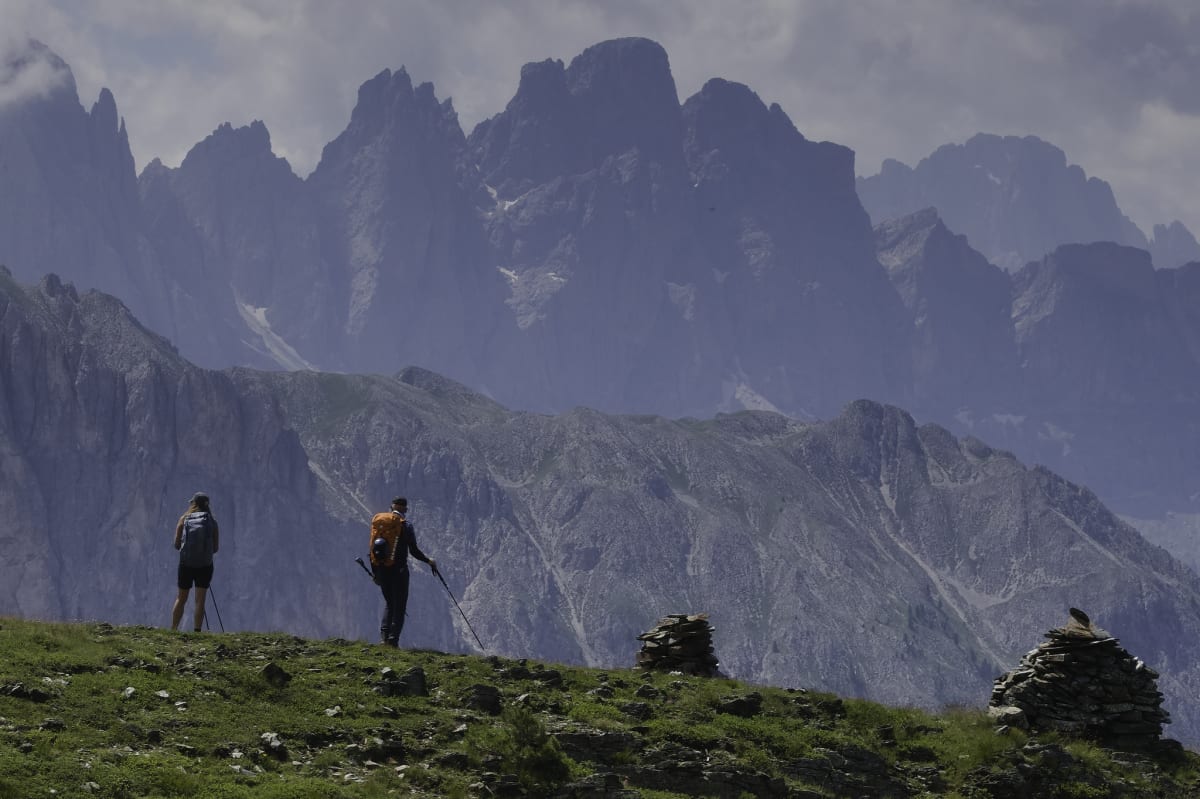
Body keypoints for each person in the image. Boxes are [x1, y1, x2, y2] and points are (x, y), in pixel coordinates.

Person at [369, 496, 438, 647]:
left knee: (389, 603)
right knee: (399, 606)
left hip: (381, 569)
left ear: (391, 507)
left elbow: (373, 549)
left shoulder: (379, 524)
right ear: (405, 509)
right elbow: (413, 551)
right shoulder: (405, 526)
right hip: (399, 572)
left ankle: (383, 638)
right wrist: (428, 561)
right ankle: (393, 641)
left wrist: (375, 573)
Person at [171, 492, 219, 632]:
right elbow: (215, 548)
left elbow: (176, 545)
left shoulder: (184, 519)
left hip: (186, 564)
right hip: (205, 566)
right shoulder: (212, 522)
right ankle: (197, 631)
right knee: (200, 600)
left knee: (181, 598)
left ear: (193, 504)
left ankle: (173, 629)